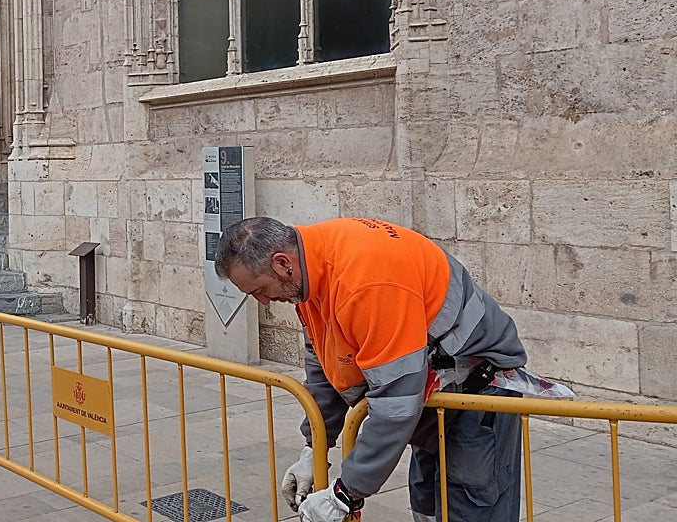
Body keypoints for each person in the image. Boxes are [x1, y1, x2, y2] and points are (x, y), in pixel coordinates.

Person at [215, 216, 528, 522]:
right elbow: (326, 362)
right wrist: (315, 447)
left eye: (259, 289)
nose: (264, 301)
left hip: (479, 393)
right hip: (438, 396)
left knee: (473, 505)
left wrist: (345, 494)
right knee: (428, 503)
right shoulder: (310, 269)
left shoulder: (365, 281)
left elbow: (396, 402)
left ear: (283, 263)